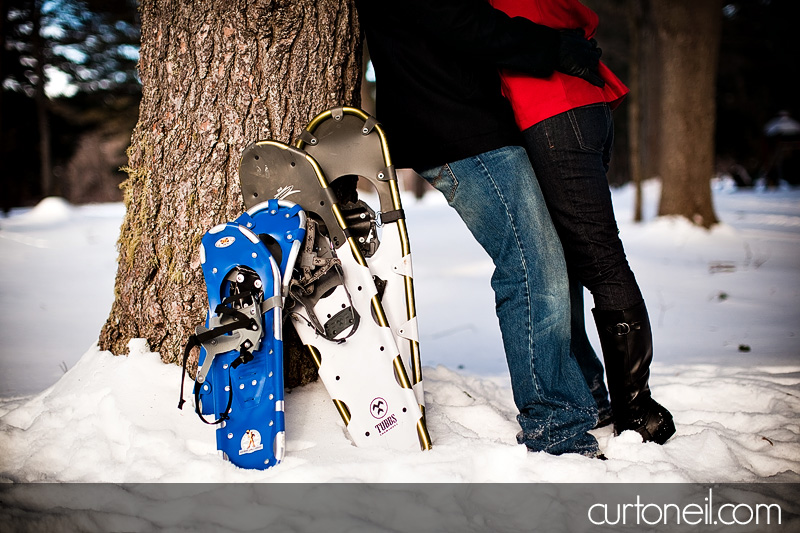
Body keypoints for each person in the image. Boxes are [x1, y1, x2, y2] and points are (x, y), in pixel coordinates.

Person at [355, 0, 609, 456]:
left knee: (550, 259)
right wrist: (553, 47)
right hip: (455, 124)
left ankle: (585, 390)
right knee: (532, 267)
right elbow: (463, 21)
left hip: (474, 119)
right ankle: (556, 423)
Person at [489, 0, 676, 444]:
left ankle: (636, 407)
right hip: (583, 102)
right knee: (574, 255)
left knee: (598, 259)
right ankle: (603, 392)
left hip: (553, 110)